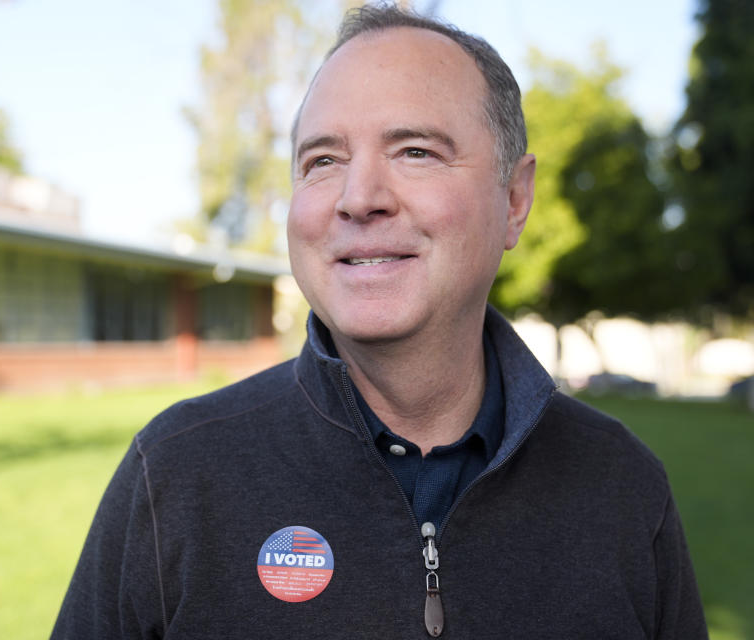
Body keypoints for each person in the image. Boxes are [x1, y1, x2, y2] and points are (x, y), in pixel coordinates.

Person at [51, 5, 707, 639]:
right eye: (323, 161)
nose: (358, 198)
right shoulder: (174, 475)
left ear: (514, 198)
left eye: (415, 151)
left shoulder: (624, 485)